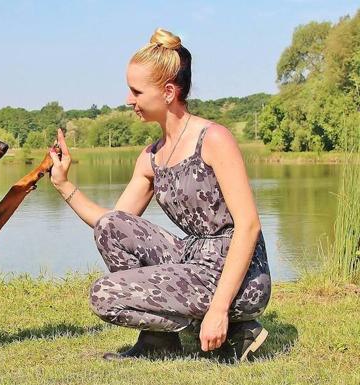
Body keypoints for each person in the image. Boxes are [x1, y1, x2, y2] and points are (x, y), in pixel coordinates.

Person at [47, 28, 271, 361]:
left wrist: (219, 309)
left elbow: (249, 226)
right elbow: (112, 222)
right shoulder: (151, 157)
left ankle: (233, 326)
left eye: (136, 91)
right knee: (110, 228)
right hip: (193, 259)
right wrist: (65, 185)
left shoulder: (214, 139)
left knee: (104, 295)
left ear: (168, 92)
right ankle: (159, 340)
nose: (128, 99)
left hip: (240, 275)